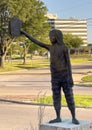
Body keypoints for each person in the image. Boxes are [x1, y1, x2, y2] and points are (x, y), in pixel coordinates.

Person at [21, 29, 79, 124]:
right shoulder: (50, 48)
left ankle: (74, 117)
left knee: (69, 97)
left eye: (51, 36)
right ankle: (58, 117)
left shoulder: (64, 48)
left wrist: (71, 78)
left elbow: (69, 64)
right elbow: (36, 41)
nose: (50, 38)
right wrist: (24, 33)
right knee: (56, 97)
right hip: (55, 78)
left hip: (65, 77)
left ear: (57, 37)